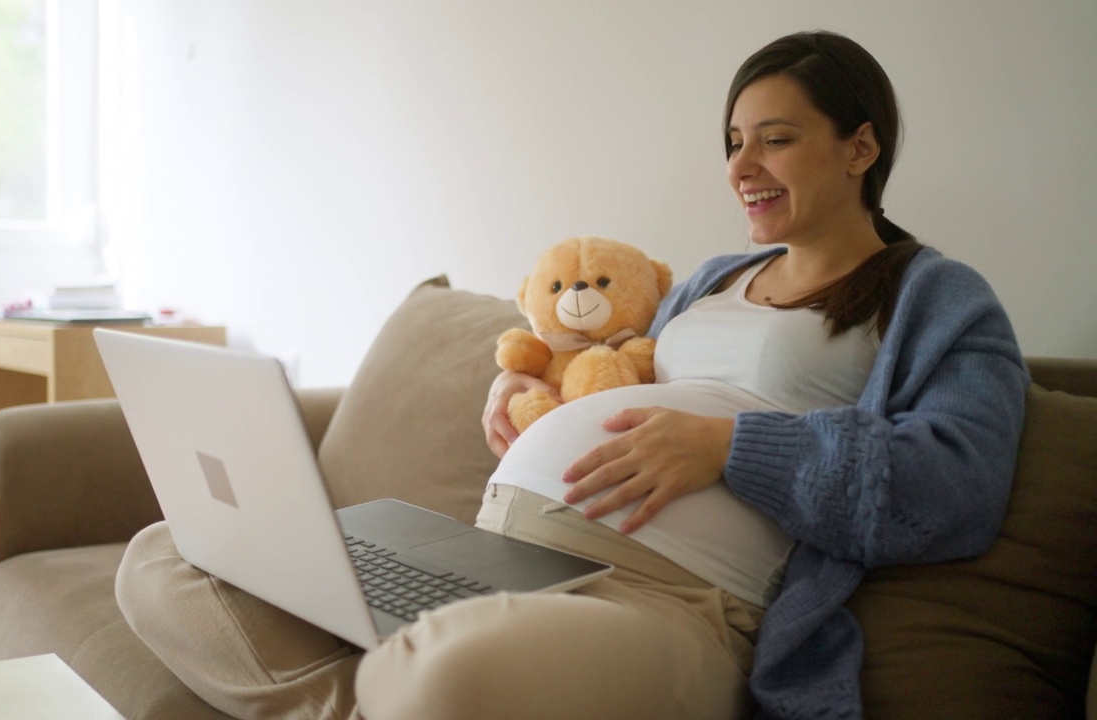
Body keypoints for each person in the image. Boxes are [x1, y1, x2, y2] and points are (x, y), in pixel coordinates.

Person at [117, 30, 1029, 720]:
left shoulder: (935, 297)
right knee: (165, 557)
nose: (740, 166)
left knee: (446, 671)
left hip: (670, 603)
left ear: (860, 149)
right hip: (500, 552)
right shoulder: (712, 281)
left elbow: (954, 487)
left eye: (776, 139)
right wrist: (525, 393)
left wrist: (733, 447)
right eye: (733, 140)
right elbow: (607, 375)